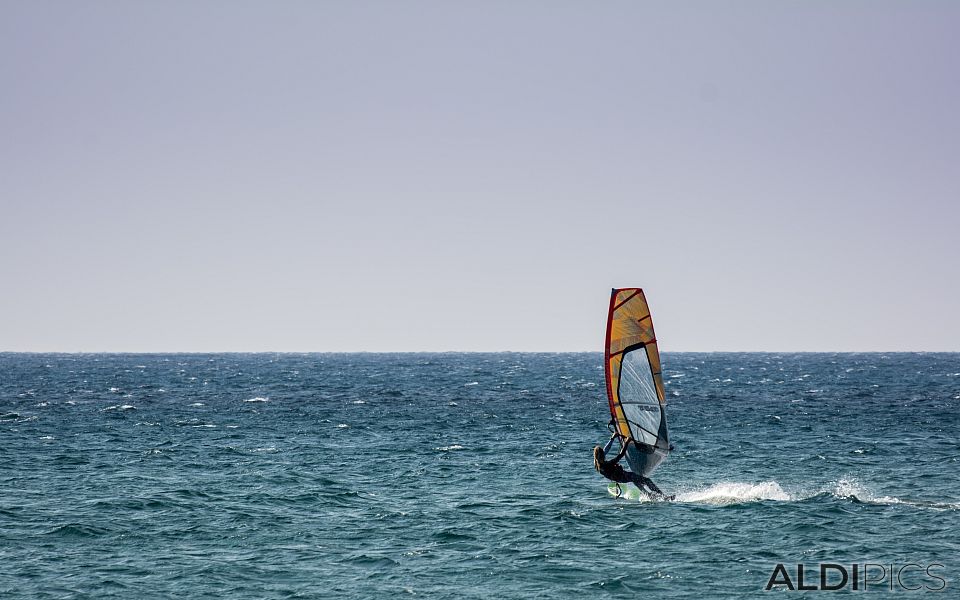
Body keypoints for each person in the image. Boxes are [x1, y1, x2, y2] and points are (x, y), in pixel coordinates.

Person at [593, 435, 669, 499]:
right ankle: (663, 496)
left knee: (635, 480)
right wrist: (627, 442)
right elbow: (621, 455)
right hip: (623, 476)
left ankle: (647, 495)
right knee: (646, 480)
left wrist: (612, 439)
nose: (604, 454)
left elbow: (605, 450)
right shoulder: (607, 465)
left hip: (620, 477)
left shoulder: (597, 463)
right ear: (602, 455)